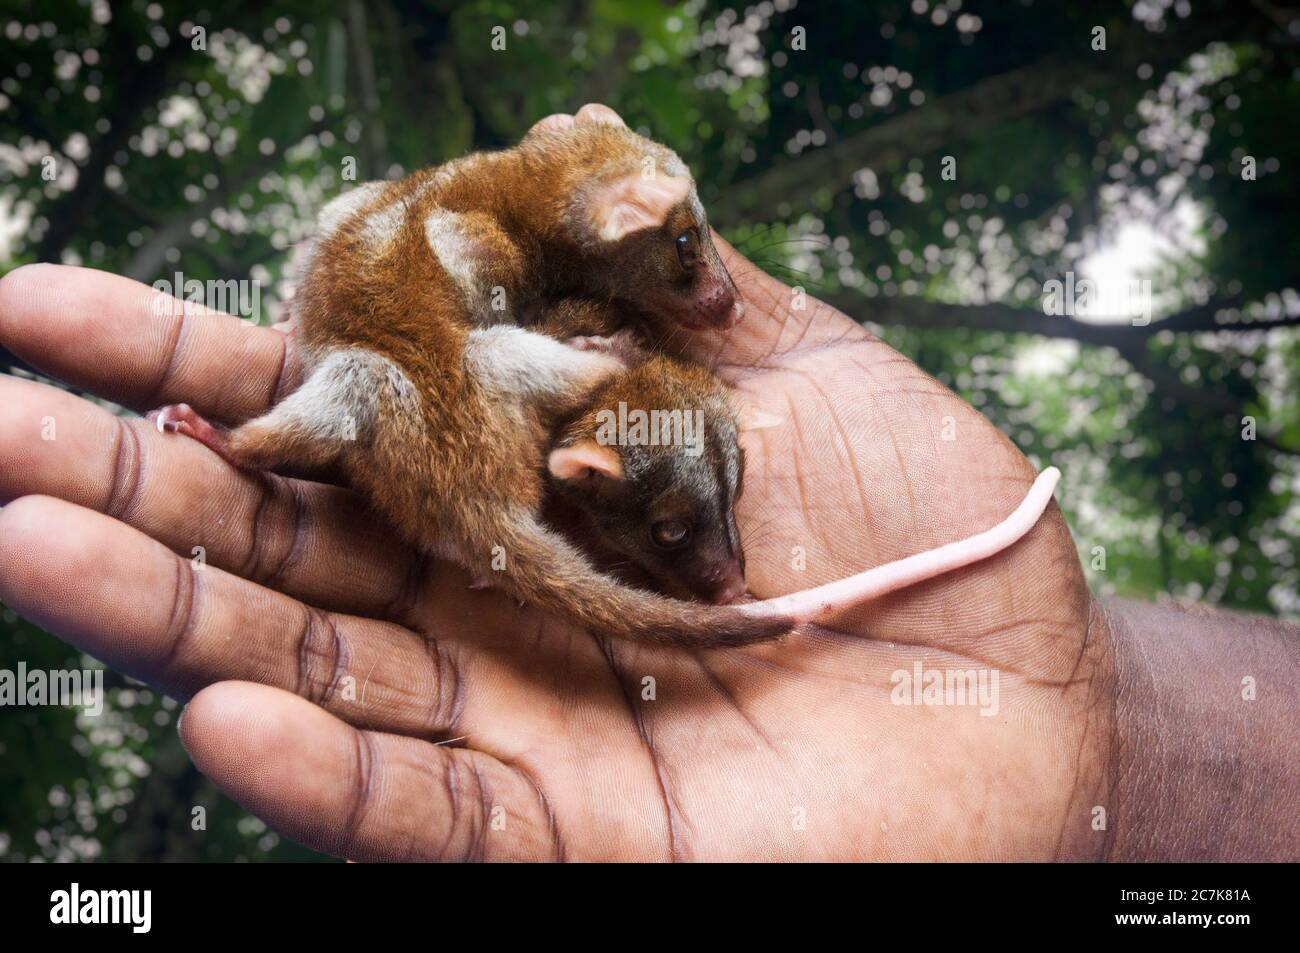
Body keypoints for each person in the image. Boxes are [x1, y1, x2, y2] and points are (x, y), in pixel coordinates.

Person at [0, 105, 1293, 862]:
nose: (712, 292)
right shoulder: (494, 280)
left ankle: (240, 446)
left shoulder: (477, 269)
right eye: (672, 262)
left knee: (386, 391)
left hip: (385, 397)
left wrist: (1090, 734)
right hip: (440, 391)